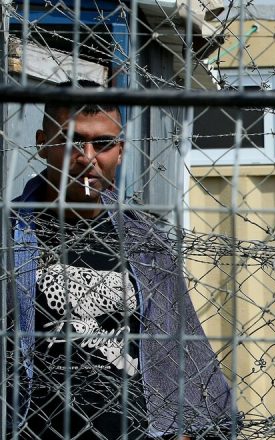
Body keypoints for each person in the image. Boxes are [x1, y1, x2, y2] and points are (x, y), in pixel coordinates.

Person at [7, 80, 234, 439]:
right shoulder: (9, 238)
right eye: (71, 141)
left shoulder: (146, 243)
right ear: (43, 143)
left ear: (121, 151)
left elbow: (180, 352)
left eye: (103, 144)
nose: (87, 157)